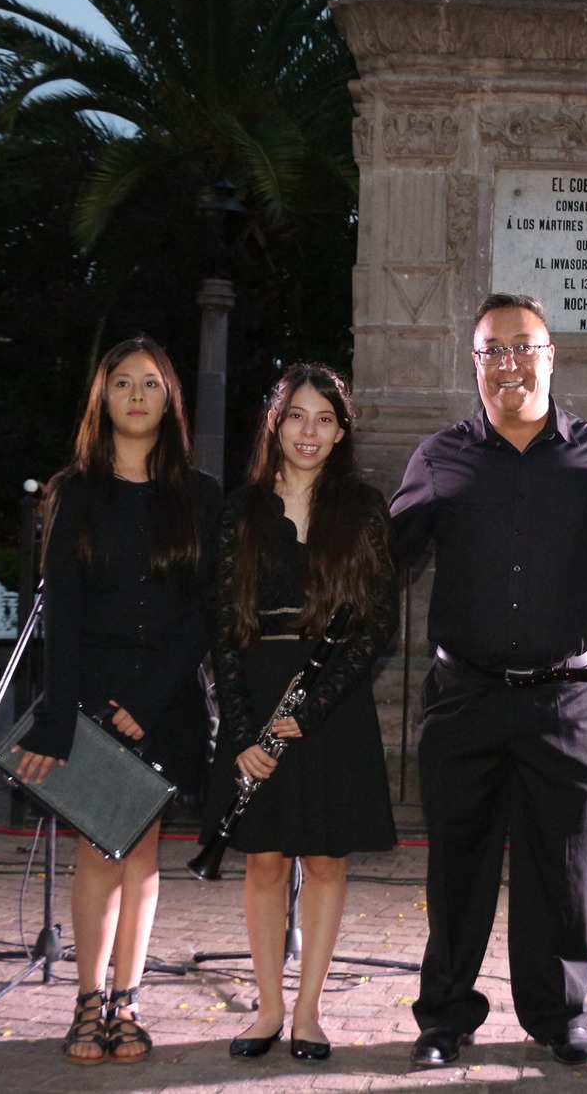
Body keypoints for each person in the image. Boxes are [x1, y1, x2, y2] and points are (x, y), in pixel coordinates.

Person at [389, 293, 587, 1069]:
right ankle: (444, 1017)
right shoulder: (438, 457)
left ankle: (561, 1016)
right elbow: (380, 562)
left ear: (551, 356)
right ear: (475, 362)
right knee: (456, 863)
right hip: (466, 695)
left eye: (523, 346)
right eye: (492, 349)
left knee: (562, 869)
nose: (509, 363)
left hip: (569, 698)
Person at [12, 336, 222, 1065]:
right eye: (123, 382)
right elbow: (60, 609)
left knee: (144, 851)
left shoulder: (201, 495)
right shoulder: (74, 489)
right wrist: (62, 712)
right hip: (90, 694)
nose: (137, 395)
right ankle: (87, 1000)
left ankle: (128, 1001)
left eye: (152, 384)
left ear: (171, 400)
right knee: (98, 848)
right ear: (102, 398)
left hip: (165, 697)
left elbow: (203, 610)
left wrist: (150, 695)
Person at [208, 364, 397, 1064]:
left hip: (332, 704)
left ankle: (310, 1010)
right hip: (257, 695)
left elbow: (379, 624)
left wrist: (311, 711)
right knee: (262, 860)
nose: (308, 431)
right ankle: (267, 1006)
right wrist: (242, 730)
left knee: (322, 858)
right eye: (295, 416)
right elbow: (223, 627)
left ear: (342, 429)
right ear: (274, 424)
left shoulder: (365, 509)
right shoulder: (239, 510)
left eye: (323, 417)